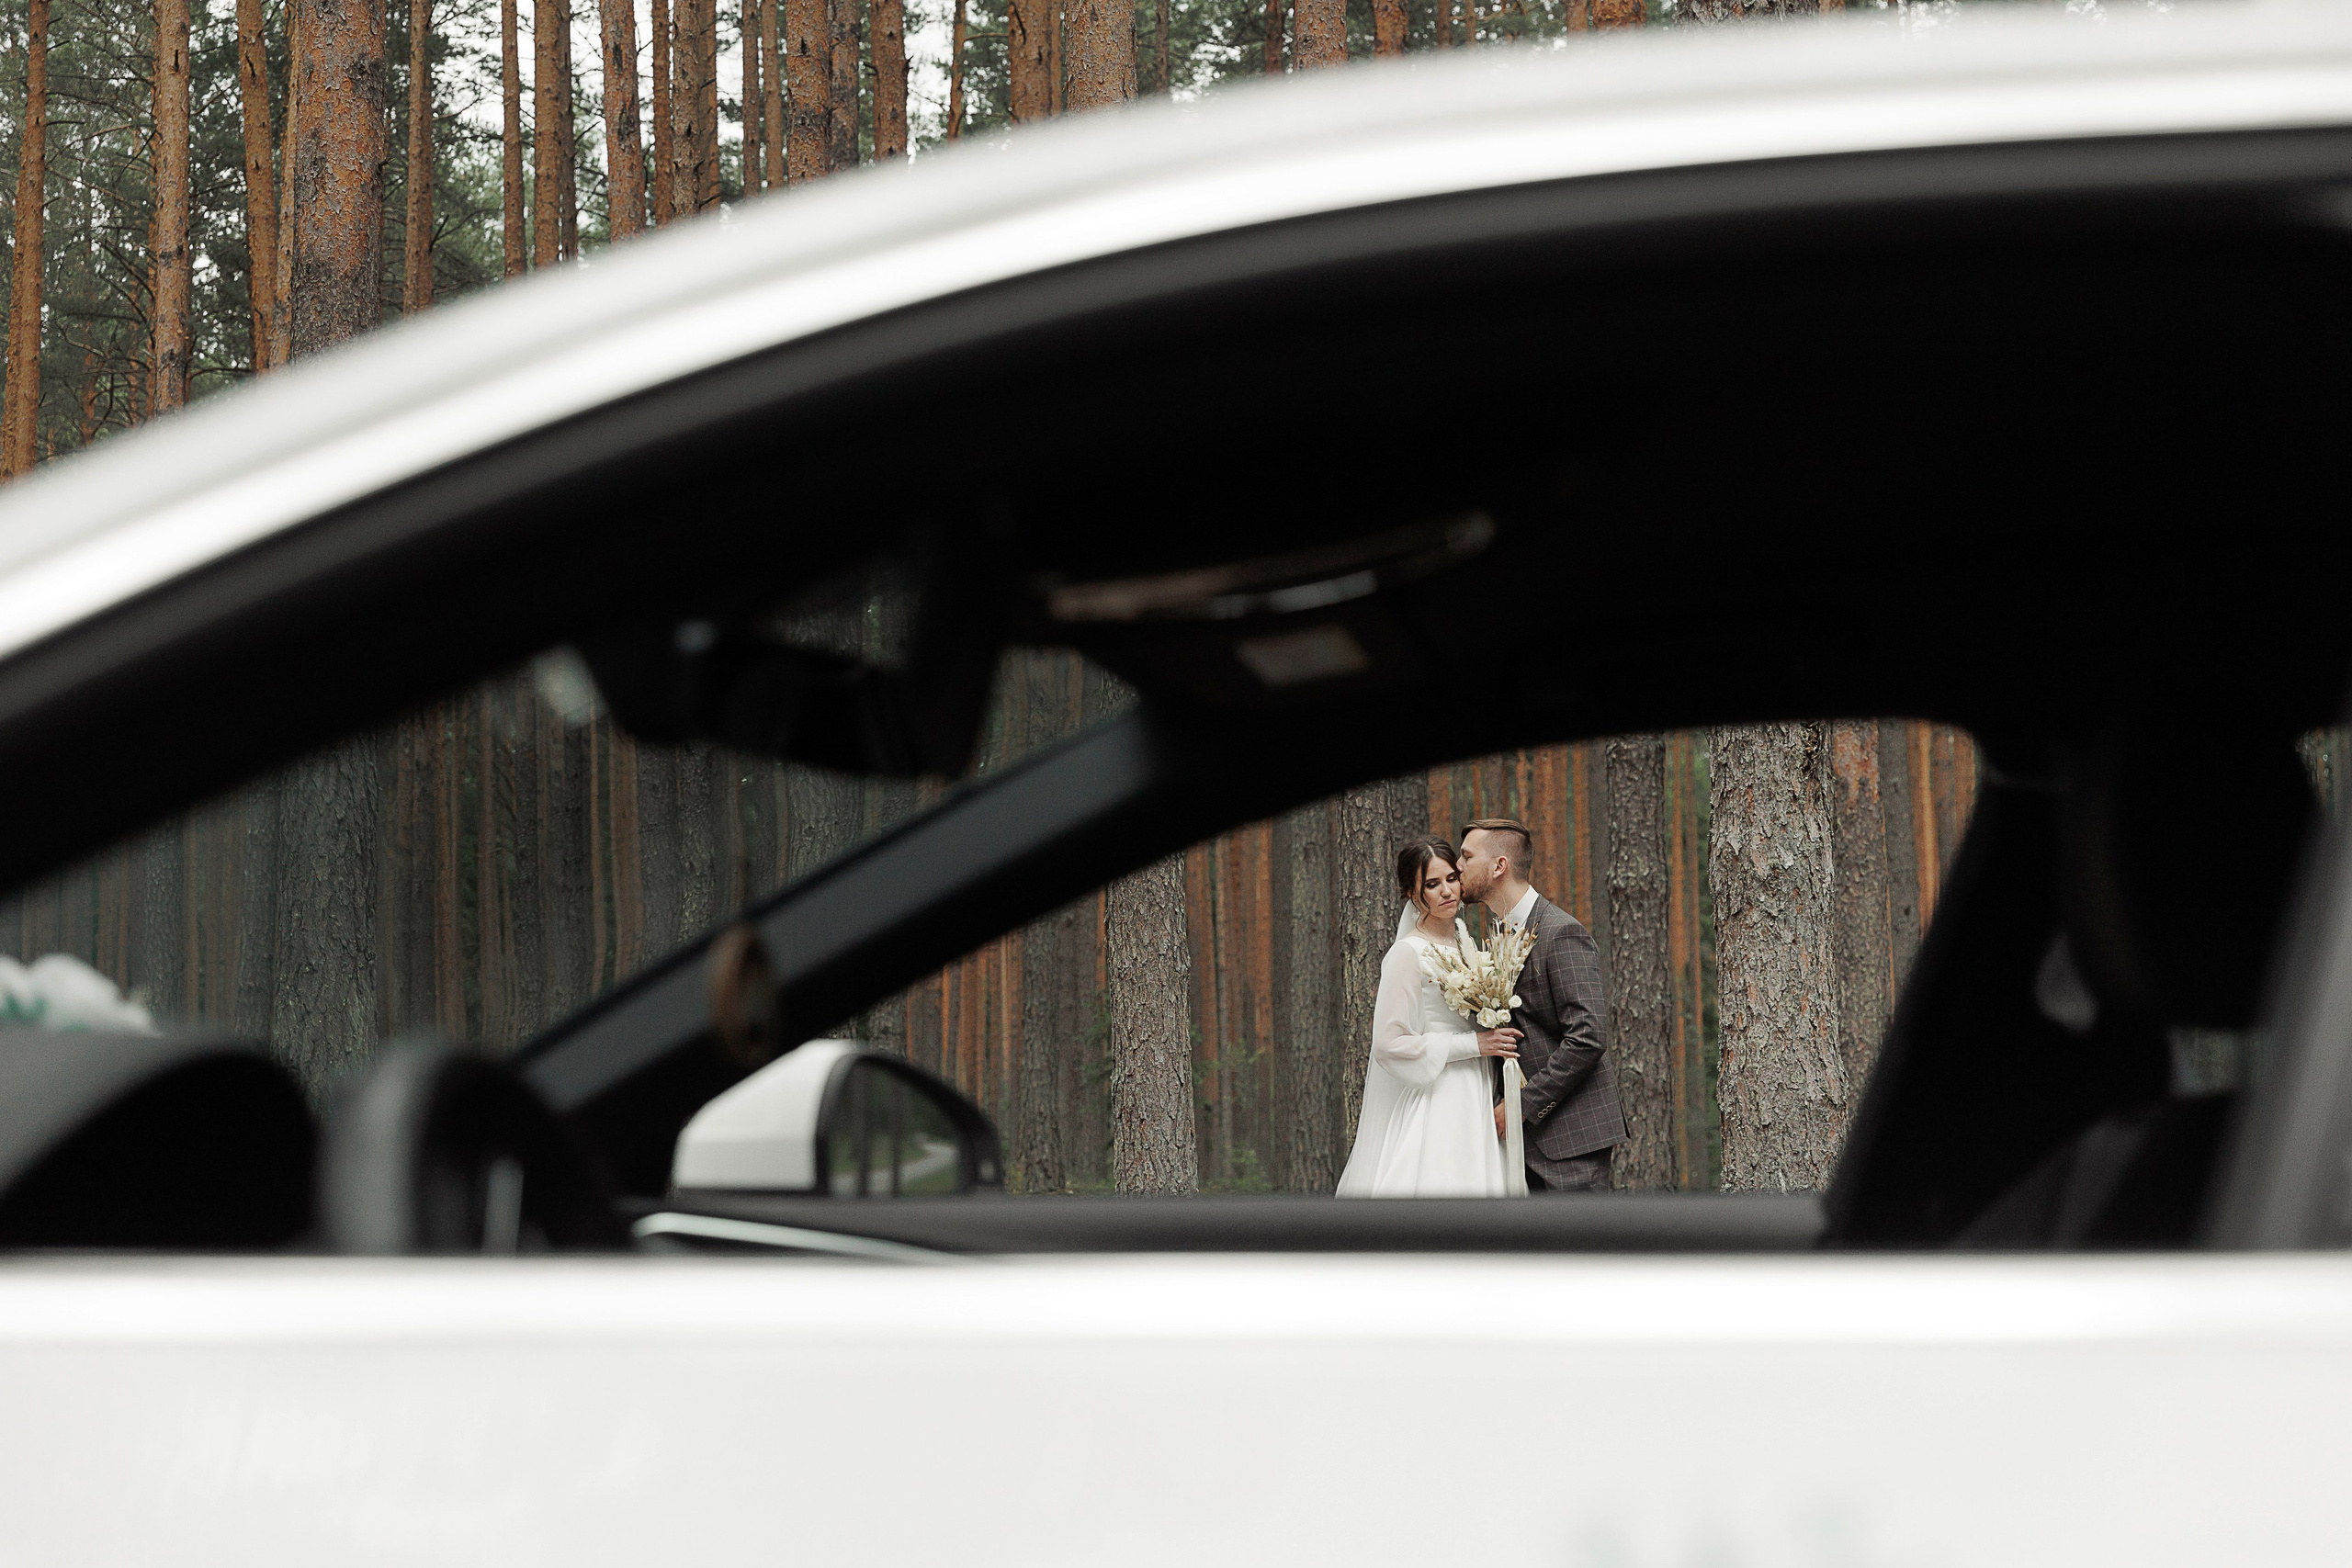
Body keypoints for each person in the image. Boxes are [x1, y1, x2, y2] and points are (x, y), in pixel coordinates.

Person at [1335, 838, 1524, 1198]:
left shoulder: (1467, 941)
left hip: (1479, 1089)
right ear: (1411, 893)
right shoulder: (1406, 954)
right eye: (1432, 885)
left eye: (1452, 878)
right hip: (1441, 1092)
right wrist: (1473, 1044)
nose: (1447, 891)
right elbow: (1389, 1045)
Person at [1455, 818, 1626, 1191]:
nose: (1458, 867)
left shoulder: (1561, 932)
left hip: (1570, 1141)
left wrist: (1520, 1107)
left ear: (1499, 866)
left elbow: (1588, 1038)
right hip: (1519, 1144)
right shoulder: (1497, 934)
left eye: (1467, 856)